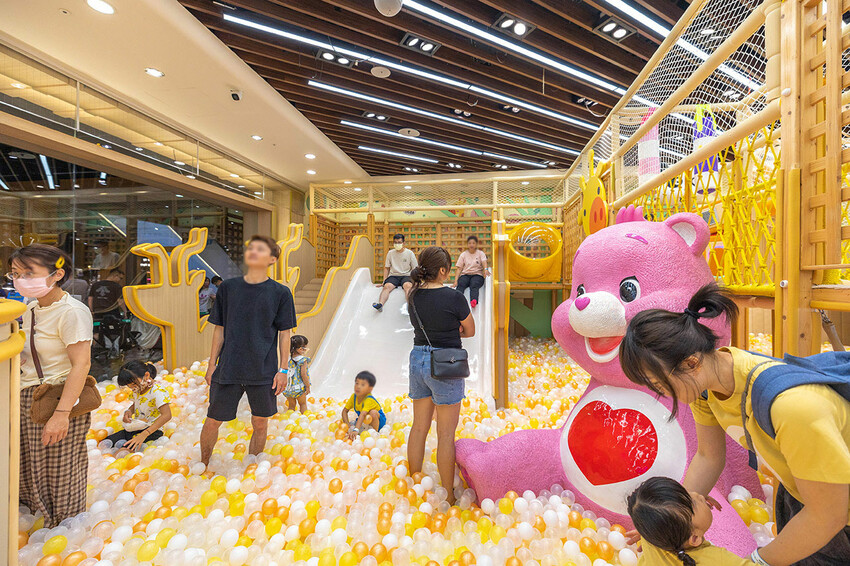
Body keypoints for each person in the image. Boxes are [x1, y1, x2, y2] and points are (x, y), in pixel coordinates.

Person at [620, 284, 850, 565]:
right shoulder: (706, 387)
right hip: (803, 493)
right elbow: (708, 456)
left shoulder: (792, 408)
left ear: (692, 362)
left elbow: (828, 514)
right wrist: (672, 522)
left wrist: (757, 561)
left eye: (660, 384)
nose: (663, 394)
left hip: (833, 510)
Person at [10, 244, 93, 527]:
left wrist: (61, 415)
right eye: (15, 273)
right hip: (27, 396)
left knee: (59, 467)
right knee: (30, 463)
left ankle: (64, 527)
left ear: (57, 274)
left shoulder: (72, 312)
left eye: (29, 273)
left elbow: (81, 364)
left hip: (58, 398)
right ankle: (36, 519)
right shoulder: (31, 308)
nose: (20, 279)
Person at [201, 235, 297, 473]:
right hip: (229, 366)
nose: (253, 251)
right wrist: (211, 364)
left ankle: (251, 466)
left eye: (260, 249)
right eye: (251, 248)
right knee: (213, 419)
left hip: (263, 368)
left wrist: (283, 369)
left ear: (272, 259)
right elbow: (219, 329)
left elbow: (285, 334)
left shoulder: (280, 293)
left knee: (260, 422)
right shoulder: (228, 289)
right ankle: (202, 464)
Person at [406, 246, 475, 503]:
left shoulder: (413, 295)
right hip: (445, 363)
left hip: (417, 359)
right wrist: (453, 330)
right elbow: (470, 330)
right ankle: (448, 494)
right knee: (445, 434)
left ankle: (414, 483)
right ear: (443, 271)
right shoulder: (454, 297)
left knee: (419, 426)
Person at [627, 477, 754, 566]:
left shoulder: (655, 536)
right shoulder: (720, 560)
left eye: (685, 493)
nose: (697, 494)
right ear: (694, 538)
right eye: (693, 503)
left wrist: (645, 531)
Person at [106, 361, 172, 451]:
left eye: (133, 384)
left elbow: (167, 415)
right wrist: (128, 412)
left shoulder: (157, 391)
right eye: (129, 386)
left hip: (152, 431)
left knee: (123, 451)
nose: (132, 388)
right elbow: (136, 403)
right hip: (137, 426)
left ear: (147, 375)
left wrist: (145, 434)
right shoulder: (139, 388)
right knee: (106, 442)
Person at [373, 233, 417, 312]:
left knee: (408, 286)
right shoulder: (390, 253)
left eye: (399, 242)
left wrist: (416, 281)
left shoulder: (409, 253)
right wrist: (384, 280)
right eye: (395, 242)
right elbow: (387, 268)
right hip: (394, 276)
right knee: (386, 287)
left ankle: (411, 306)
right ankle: (380, 304)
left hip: (406, 275)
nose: (397, 244)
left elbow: (415, 269)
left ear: (404, 243)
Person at [341, 370, 386, 438]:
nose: (358, 387)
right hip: (365, 422)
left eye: (362, 385)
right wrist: (347, 425)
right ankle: (365, 429)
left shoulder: (368, 399)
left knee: (372, 412)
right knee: (361, 421)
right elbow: (344, 411)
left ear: (370, 389)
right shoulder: (354, 397)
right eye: (357, 383)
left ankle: (375, 433)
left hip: (379, 422)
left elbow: (363, 414)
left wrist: (356, 430)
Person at [453, 235, 489, 308]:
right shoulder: (463, 254)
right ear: (467, 244)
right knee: (461, 283)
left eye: (473, 243)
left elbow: (484, 261)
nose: (471, 245)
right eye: (470, 243)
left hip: (477, 275)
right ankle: (457, 300)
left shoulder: (480, 253)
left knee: (474, 284)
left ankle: (474, 300)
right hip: (465, 274)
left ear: (476, 244)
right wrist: (456, 281)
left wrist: (486, 269)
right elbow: (459, 268)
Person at [284, 335, 311, 414]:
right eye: (305, 348)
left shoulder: (287, 359)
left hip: (288, 388)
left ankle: (289, 420)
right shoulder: (303, 360)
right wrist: (308, 386)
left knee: (291, 405)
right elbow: (303, 374)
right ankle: (304, 419)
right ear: (300, 349)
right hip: (299, 388)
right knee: (302, 404)